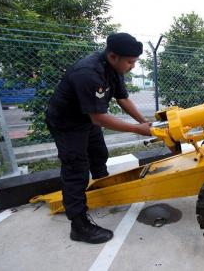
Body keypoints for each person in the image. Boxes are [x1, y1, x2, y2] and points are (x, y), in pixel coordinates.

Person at [45, 33, 151, 244]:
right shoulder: (88, 72)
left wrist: (144, 122)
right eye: (130, 62)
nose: (132, 66)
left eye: (135, 62)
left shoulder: (115, 68)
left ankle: (104, 191)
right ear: (113, 56)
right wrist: (137, 130)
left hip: (86, 120)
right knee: (77, 170)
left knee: (99, 154)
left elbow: (123, 99)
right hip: (67, 123)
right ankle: (79, 225)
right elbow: (99, 117)